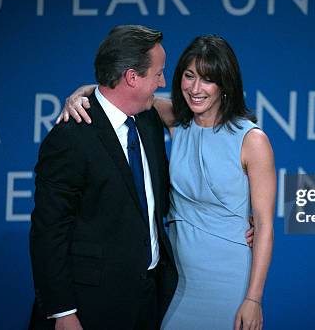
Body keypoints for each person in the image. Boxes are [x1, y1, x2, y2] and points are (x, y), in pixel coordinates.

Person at [60, 35, 276, 330]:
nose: (195, 89)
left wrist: (254, 298)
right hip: (175, 279)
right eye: (189, 76)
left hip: (228, 277)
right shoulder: (176, 119)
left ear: (225, 84)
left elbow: (264, 226)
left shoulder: (253, 141)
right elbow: (115, 94)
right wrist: (79, 93)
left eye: (208, 79)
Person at [29, 25, 178, 330]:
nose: (163, 82)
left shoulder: (148, 121)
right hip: (90, 306)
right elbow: (49, 232)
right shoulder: (71, 138)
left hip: (148, 300)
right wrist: (63, 312)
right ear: (132, 77)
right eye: (158, 74)